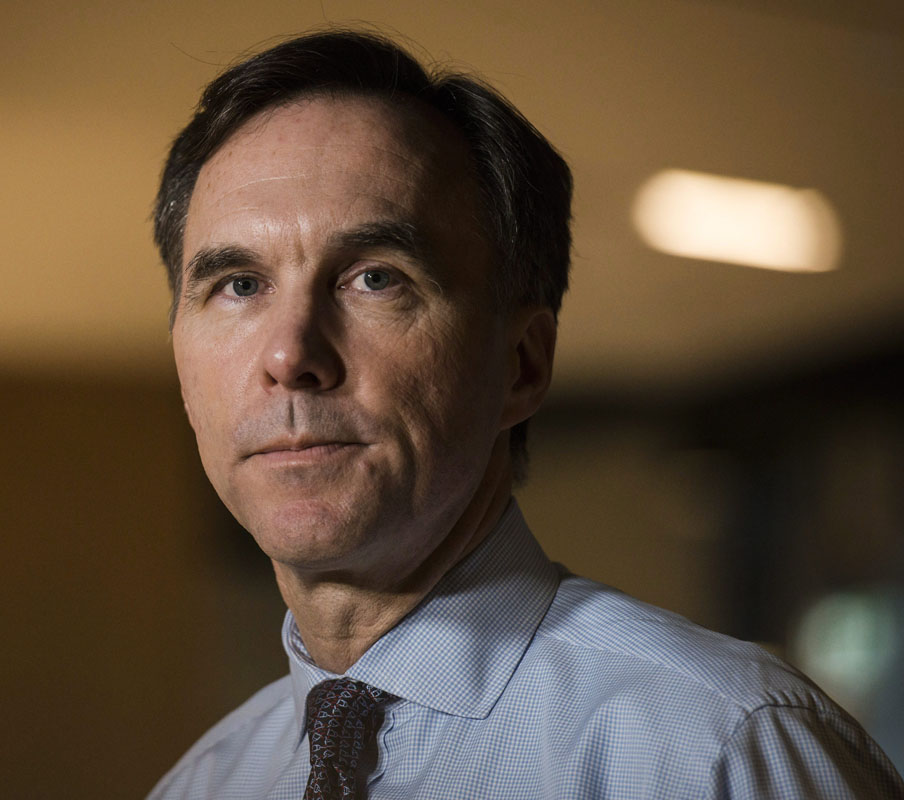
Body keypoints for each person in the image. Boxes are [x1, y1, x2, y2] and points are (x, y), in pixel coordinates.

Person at [146, 29, 904, 799]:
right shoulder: (203, 784)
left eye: (374, 277)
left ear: (522, 364)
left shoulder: (723, 752)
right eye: (238, 285)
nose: (290, 355)